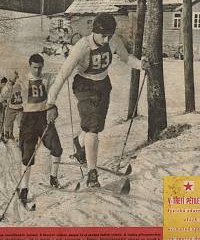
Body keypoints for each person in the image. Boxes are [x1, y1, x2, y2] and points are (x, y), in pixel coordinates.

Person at [47, 13, 149, 188]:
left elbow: (125, 58)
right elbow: (63, 74)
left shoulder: (113, 40)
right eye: (104, 35)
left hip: (103, 85)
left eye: (110, 35)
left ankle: (78, 144)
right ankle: (92, 174)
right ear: (95, 31)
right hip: (85, 86)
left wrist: (140, 64)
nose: (107, 39)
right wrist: (50, 102)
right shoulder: (82, 46)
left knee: (96, 127)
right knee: (93, 127)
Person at [18, 54, 63, 205]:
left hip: (43, 117)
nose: (37, 70)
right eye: (34, 67)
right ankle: (24, 188)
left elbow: (63, 74)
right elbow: (6, 95)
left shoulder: (47, 78)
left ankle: (53, 177)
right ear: (30, 66)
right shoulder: (23, 80)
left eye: (40, 67)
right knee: (28, 155)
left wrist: (53, 107)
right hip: (29, 119)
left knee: (56, 147)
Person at [0, 72, 23, 142]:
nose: (13, 81)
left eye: (15, 78)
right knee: (7, 122)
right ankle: (6, 135)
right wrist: (3, 101)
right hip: (11, 107)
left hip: (20, 108)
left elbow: (25, 93)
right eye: (11, 80)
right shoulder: (7, 87)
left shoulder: (20, 85)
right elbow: (2, 96)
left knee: (21, 124)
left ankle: (21, 137)